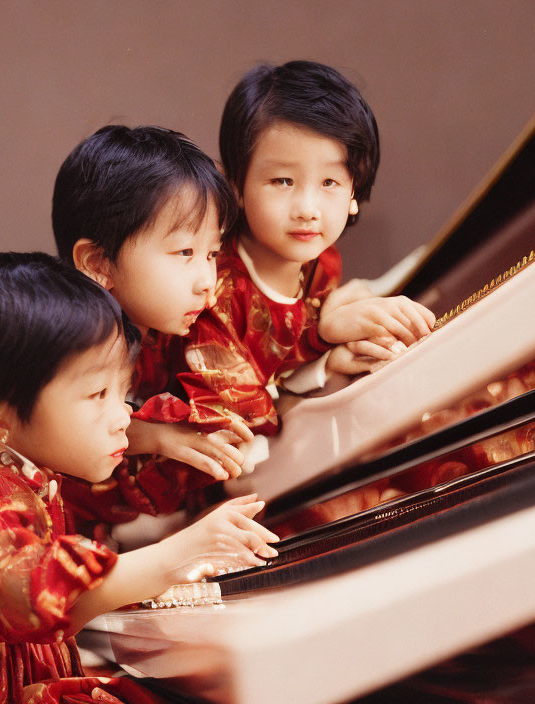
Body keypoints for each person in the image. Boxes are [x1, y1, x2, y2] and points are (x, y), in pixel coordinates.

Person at [0, 252, 278, 704]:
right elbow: (33, 591)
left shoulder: (22, 472)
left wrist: (160, 440)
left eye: (124, 393)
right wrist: (177, 553)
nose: (122, 416)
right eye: (97, 393)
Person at [150, 60, 436, 449]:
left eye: (330, 182)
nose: (307, 207)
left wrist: (326, 351)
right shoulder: (210, 290)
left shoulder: (323, 262)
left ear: (354, 192)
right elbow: (242, 418)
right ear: (235, 185)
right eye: (283, 180)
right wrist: (322, 338)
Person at [53, 125, 255, 537]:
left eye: (212, 253)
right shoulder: (63, 343)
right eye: (184, 252)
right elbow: (61, 430)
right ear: (98, 263)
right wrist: (156, 436)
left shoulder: (181, 329)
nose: (206, 279)